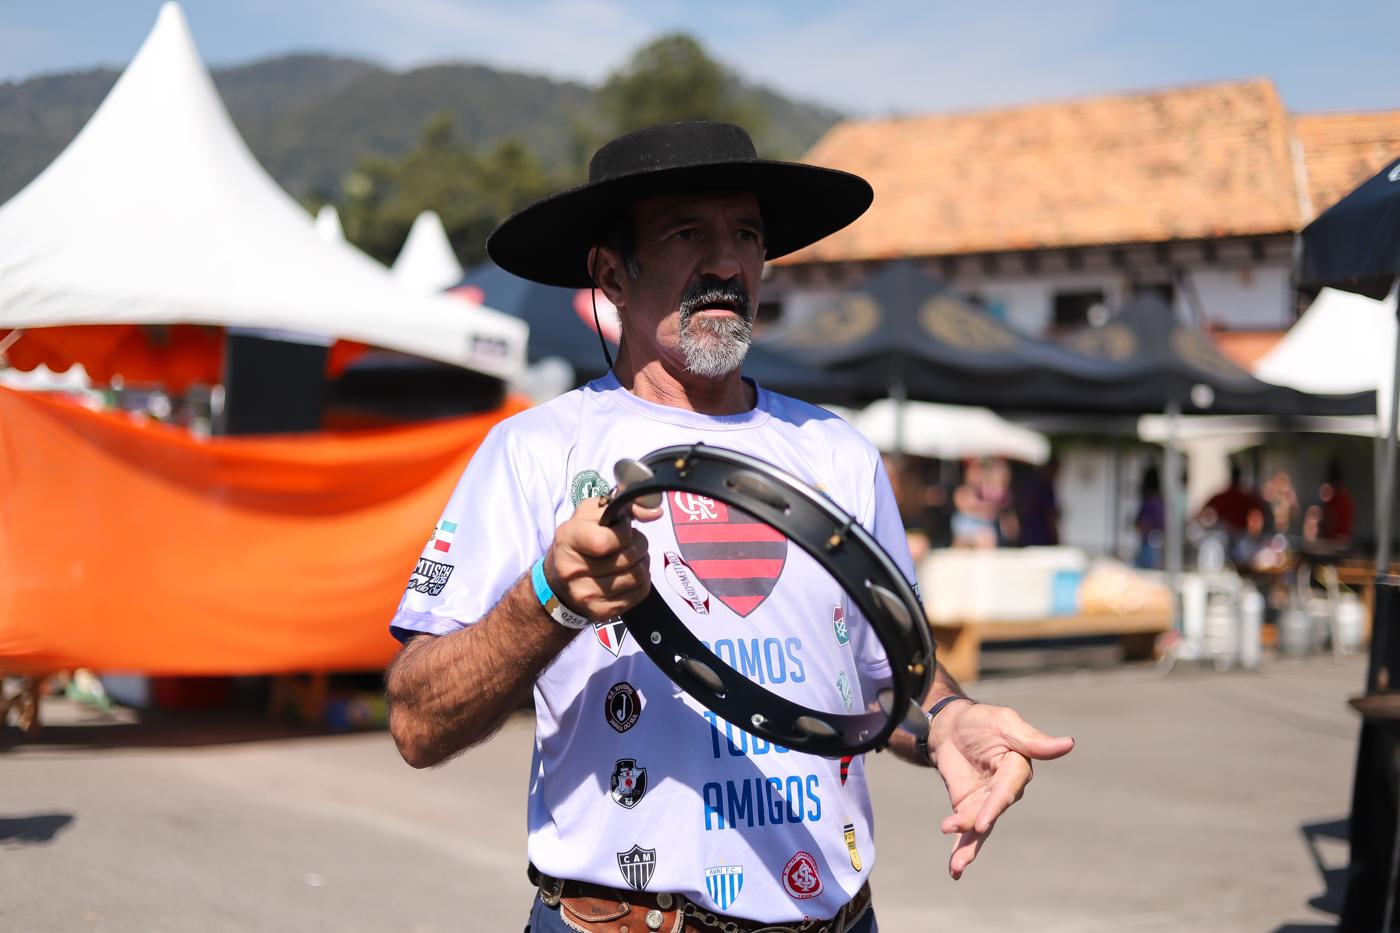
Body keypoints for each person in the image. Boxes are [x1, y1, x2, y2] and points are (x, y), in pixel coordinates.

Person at [383, 122, 1074, 933]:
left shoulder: (837, 452)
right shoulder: (534, 451)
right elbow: (416, 722)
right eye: (687, 233)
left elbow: (882, 679)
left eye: (745, 233)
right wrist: (549, 600)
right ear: (611, 273)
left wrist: (950, 718)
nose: (726, 263)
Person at [1134, 466, 1165, 569]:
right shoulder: (1159, 499)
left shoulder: (1151, 501)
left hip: (1150, 540)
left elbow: (1144, 521)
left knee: (1147, 567)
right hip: (1153, 540)